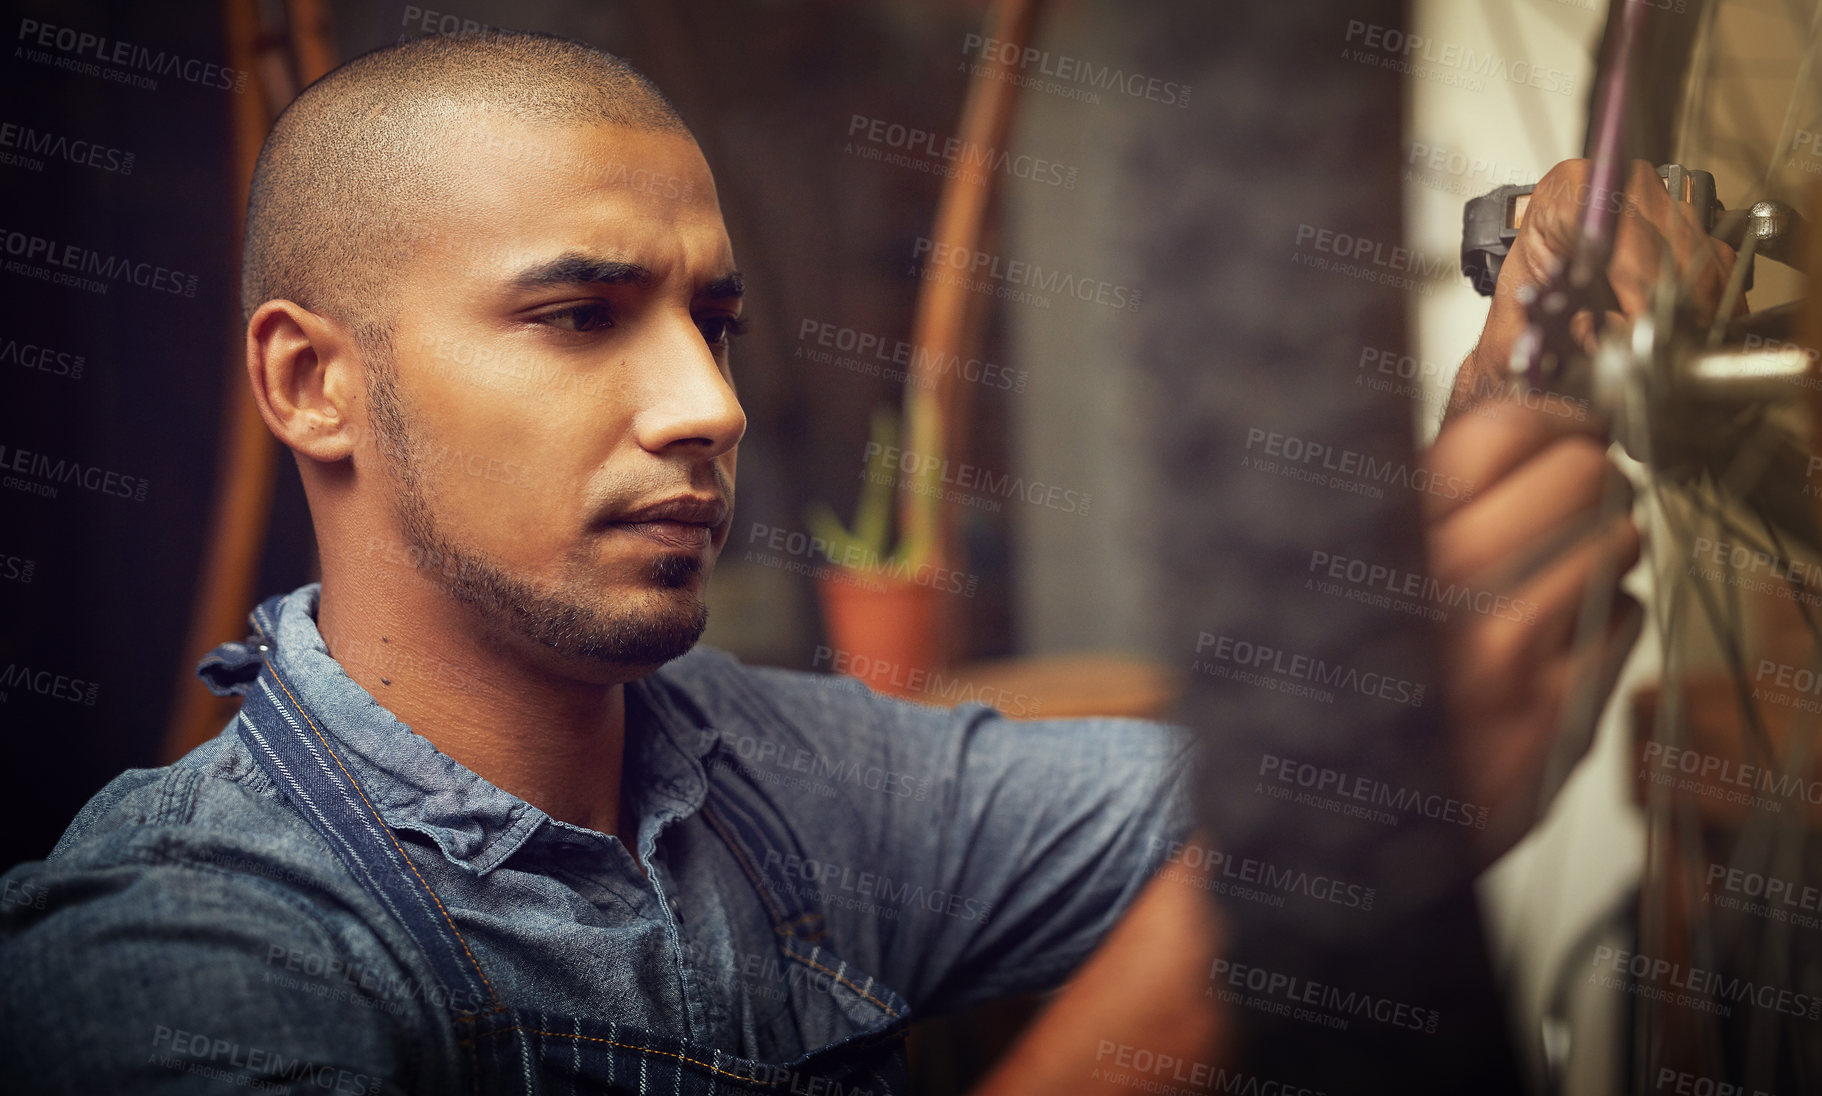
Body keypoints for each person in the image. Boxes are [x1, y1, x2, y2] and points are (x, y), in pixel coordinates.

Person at [0, 30, 1703, 1095]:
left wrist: (1521, 372)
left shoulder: (781, 776)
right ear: (314, 382)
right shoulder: (183, 960)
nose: (704, 403)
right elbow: (1326, 824)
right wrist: (1318, 854)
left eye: (713, 322)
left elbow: (1284, 809)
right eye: (580, 315)